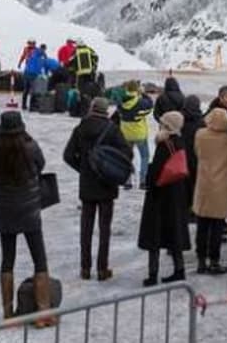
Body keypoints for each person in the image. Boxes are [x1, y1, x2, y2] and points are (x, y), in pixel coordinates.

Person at [0, 111, 56, 327]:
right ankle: (42, 313)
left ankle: (8, 313)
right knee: (39, 259)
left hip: (5, 211)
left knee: (7, 260)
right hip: (30, 209)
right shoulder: (30, 147)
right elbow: (41, 164)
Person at [63, 98, 132, 281]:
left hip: (87, 185)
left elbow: (68, 155)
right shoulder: (112, 130)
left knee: (86, 228)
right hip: (106, 184)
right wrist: (109, 167)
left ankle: (85, 268)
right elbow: (127, 153)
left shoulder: (80, 128)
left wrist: (83, 168)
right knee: (104, 228)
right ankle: (102, 268)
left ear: (92, 109)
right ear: (106, 111)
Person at [138, 112, 191, 286]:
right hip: (176, 195)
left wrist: (149, 174)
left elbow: (155, 175)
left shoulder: (164, 145)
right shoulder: (180, 143)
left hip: (160, 197)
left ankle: (152, 275)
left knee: (154, 236)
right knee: (174, 233)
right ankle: (179, 269)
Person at [192, 108, 227, 275]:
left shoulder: (200, 134)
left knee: (202, 225)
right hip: (222, 184)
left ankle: (200, 260)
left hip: (203, 183)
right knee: (217, 226)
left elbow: (197, 154)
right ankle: (214, 261)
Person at [118, 80, 154, 189]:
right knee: (144, 156)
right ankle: (143, 181)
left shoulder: (121, 102)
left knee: (126, 157)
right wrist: (143, 94)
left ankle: (127, 181)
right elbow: (150, 106)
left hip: (125, 134)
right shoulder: (140, 103)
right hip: (139, 134)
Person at [181, 95, 205, 215]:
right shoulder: (201, 122)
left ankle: (184, 209)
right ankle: (194, 209)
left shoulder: (181, 120)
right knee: (196, 185)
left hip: (182, 157)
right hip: (197, 157)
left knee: (184, 186)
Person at [22, 44, 49, 111]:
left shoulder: (33, 53)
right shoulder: (40, 55)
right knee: (33, 90)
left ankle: (24, 105)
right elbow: (44, 64)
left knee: (26, 90)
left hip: (26, 73)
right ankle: (32, 107)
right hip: (32, 75)